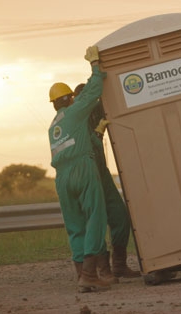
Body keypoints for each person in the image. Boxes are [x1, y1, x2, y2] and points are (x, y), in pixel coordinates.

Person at [48, 45, 113, 293]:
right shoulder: (76, 111)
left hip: (62, 177)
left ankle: (81, 277)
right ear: (69, 99)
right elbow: (94, 91)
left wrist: (96, 133)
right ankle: (89, 274)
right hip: (82, 169)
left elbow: (74, 142)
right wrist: (95, 66)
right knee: (96, 217)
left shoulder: (54, 125)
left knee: (75, 224)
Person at [73, 83, 140, 279]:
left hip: (102, 172)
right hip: (87, 174)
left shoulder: (96, 107)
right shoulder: (75, 117)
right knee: (96, 222)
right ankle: (104, 270)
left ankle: (119, 264)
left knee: (119, 216)